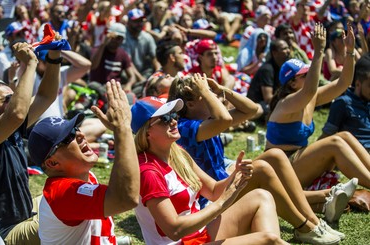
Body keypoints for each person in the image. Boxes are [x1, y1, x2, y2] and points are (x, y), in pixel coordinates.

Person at [168, 73, 347, 244]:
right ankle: (304, 226)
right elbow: (224, 119)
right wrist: (206, 91)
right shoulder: (185, 128)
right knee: (260, 169)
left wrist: (222, 89)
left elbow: (251, 110)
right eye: (206, 96)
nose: (213, 97)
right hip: (210, 202)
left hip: (221, 185)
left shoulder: (205, 122)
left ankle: (314, 221)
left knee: (275, 155)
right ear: (190, 105)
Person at [130, 95, 288, 245]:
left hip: (199, 235)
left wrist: (237, 175)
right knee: (268, 240)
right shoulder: (148, 172)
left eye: (173, 115)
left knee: (261, 197)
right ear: (147, 131)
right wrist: (220, 204)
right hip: (182, 241)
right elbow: (175, 230)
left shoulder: (176, 153)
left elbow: (212, 191)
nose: (173, 121)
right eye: (165, 119)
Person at [27, 80, 140, 244]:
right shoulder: (62, 194)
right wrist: (122, 129)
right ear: (52, 163)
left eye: (75, 129)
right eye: (68, 137)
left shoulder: (85, 175)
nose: (80, 134)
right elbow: (125, 198)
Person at [267, 23, 370, 198]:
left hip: (298, 162)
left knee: (344, 136)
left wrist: (350, 51)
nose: (311, 78)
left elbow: (343, 84)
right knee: (335, 143)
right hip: (281, 170)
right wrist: (319, 51)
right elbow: (309, 91)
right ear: (291, 83)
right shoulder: (286, 103)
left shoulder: (309, 98)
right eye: (305, 75)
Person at [0, 42, 61, 244]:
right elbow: (16, 113)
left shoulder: (12, 129)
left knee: (77, 192)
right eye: (8, 98)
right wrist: (30, 63)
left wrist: (53, 57)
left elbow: (45, 96)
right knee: (68, 216)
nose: (15, 100)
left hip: (25, 216)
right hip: (6, 233)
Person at [321, 54, 370, 152]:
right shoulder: (343, 103)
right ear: (357, 84)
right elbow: (327, 135)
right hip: (360, 152)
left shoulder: (368, 101)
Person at [246, 39, 291, 123]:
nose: (288, 51)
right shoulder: (267, 69)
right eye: (284, 49)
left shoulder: (282, 67)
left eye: (288, 48)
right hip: (258, 105)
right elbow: (268, 98)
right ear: (274, 53)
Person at [90, 22, 136, 92]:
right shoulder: (97, 50)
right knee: (94, 85)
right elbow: (93, 66)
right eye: (112, 37)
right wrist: (103, 44)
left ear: (122, 40)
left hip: (115, 89)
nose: (115, 40)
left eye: (118, 38)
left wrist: (128, 85)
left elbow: (132, 76)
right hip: (98, 88)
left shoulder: (123, 54)